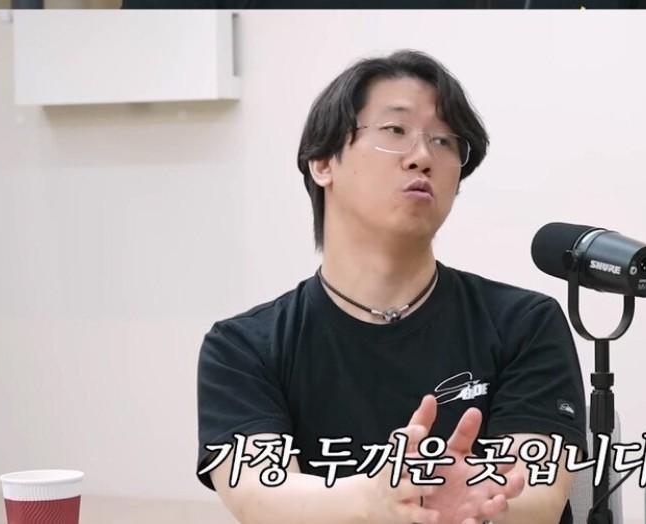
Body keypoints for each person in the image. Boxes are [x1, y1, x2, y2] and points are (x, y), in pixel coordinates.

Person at [196, 49, 588, 524]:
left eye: (444, 141)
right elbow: (261, 494)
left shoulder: (523, 323)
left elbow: (539, 494)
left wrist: (473, 508)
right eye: (395, 131)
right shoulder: (244, 346)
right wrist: (378, 502)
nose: (423, 157)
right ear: (323, 162)